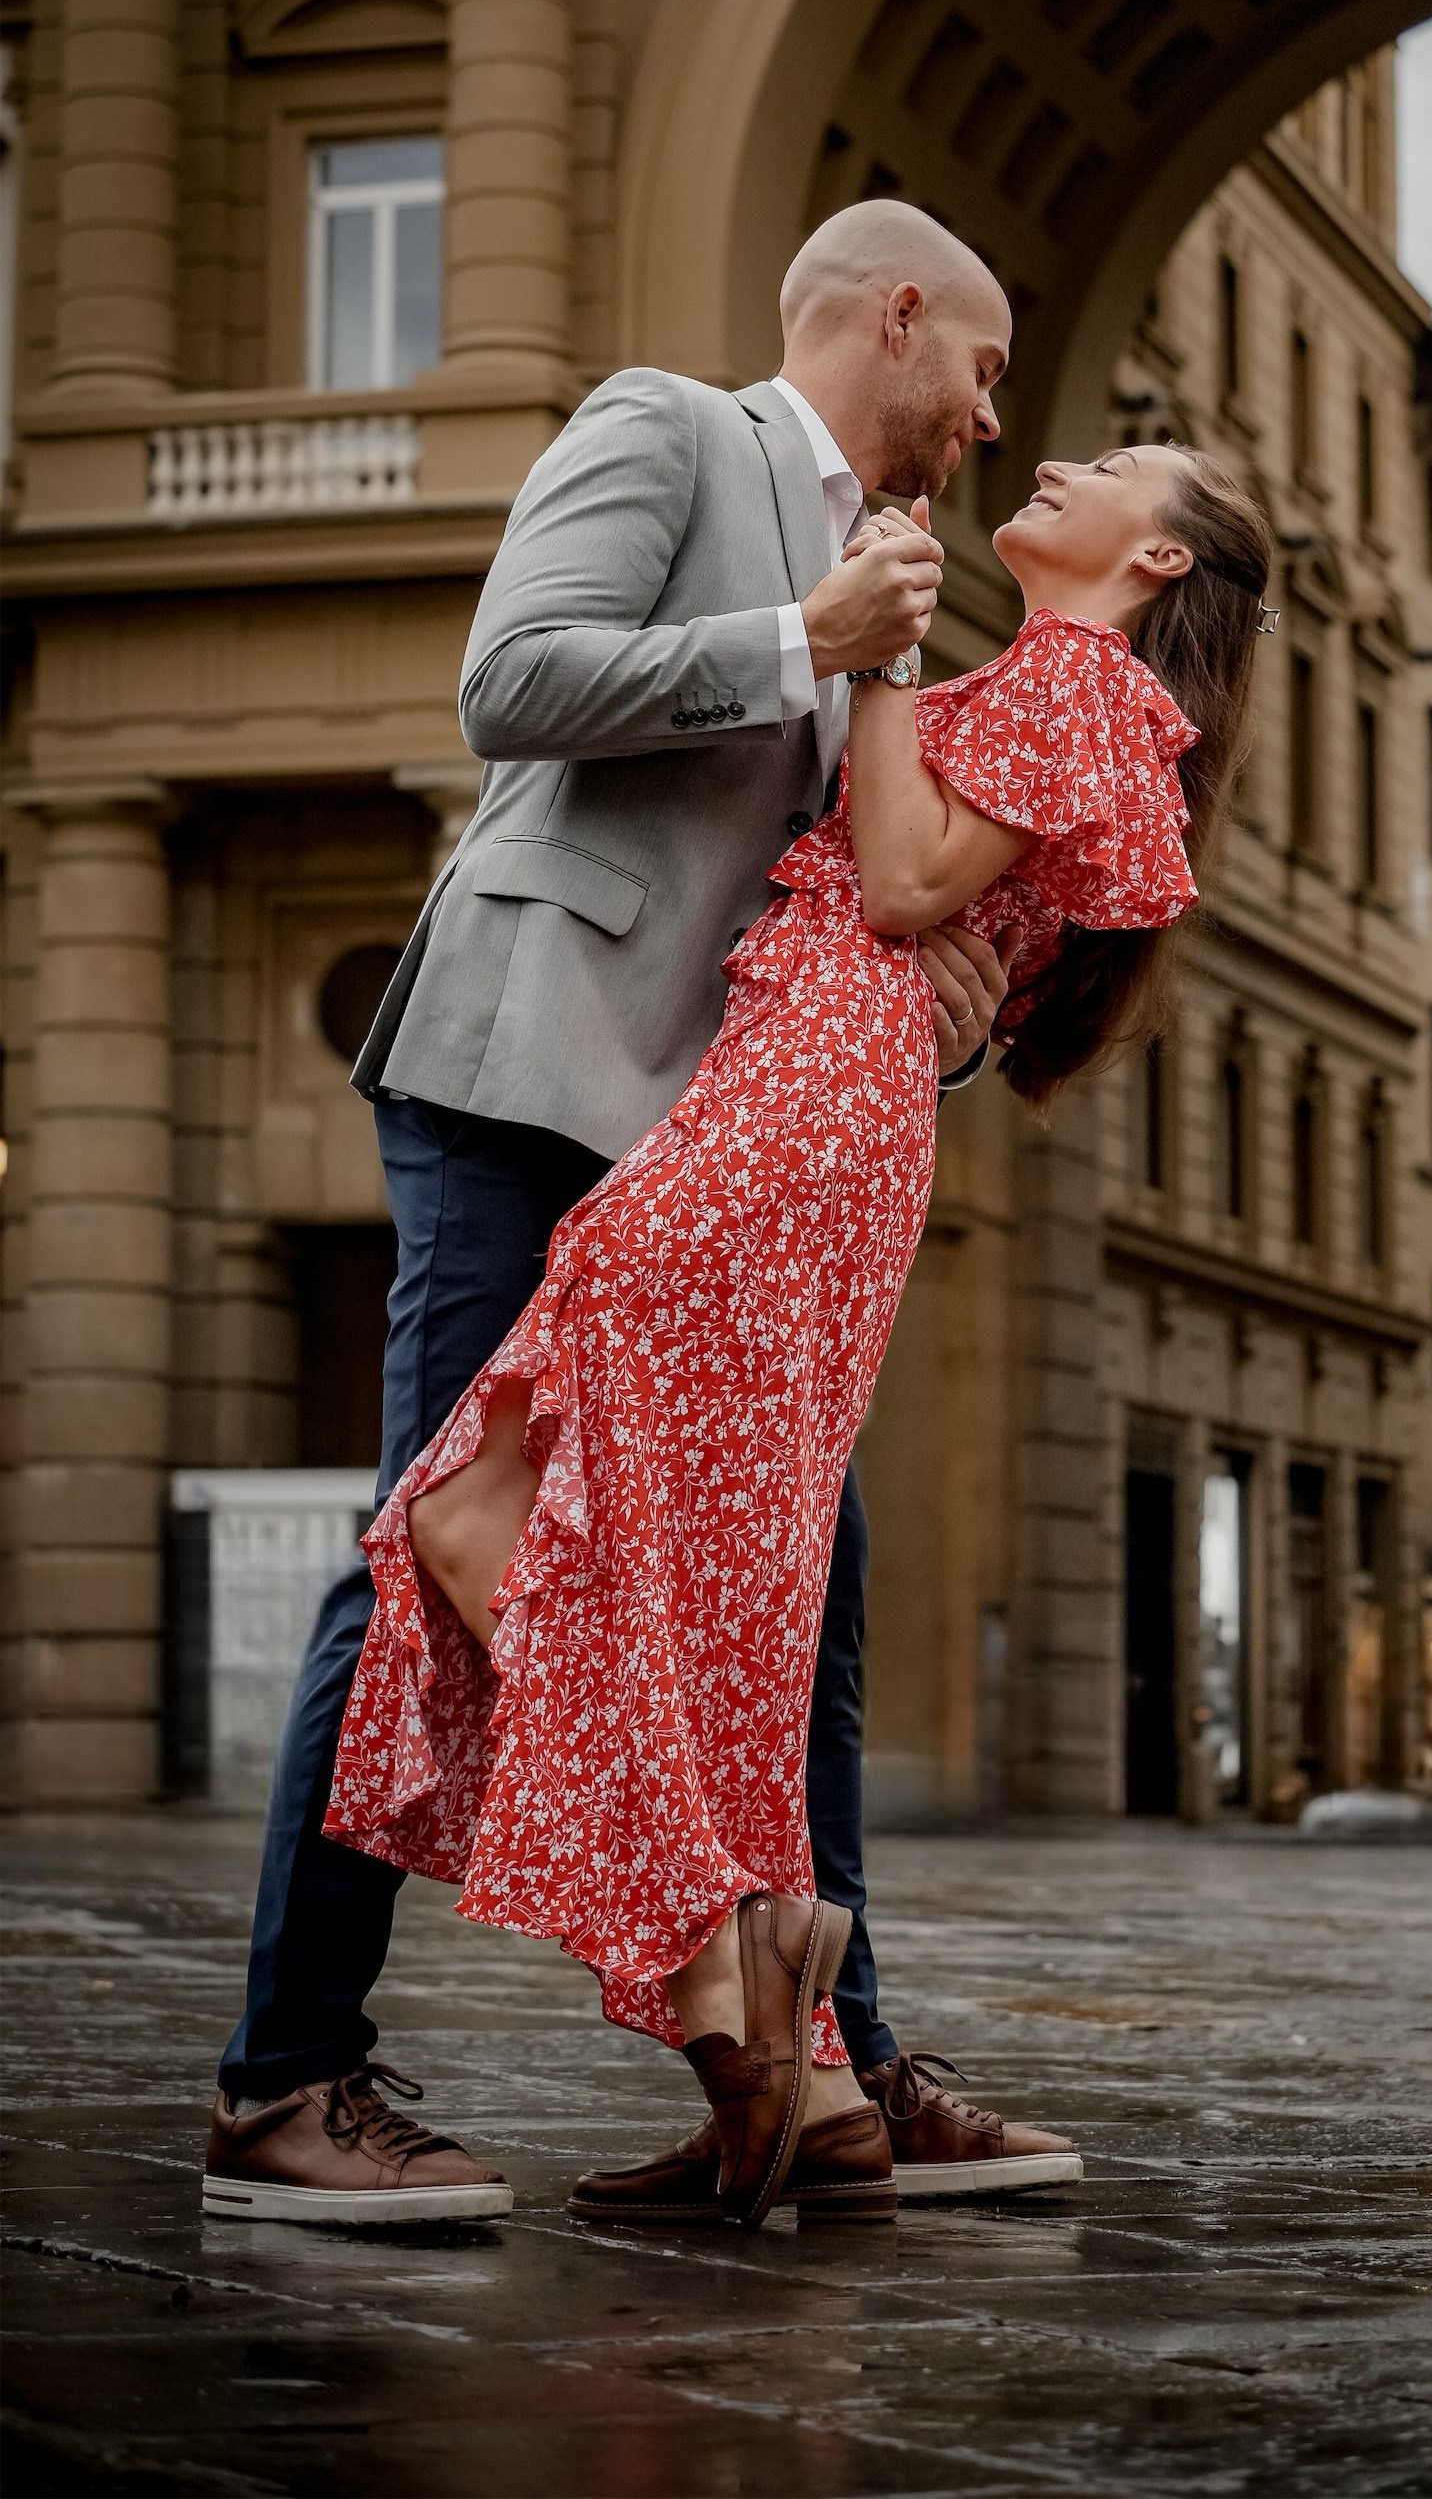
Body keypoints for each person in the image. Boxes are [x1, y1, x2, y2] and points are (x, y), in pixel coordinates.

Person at [203, 205, 1073, 2223]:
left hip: (710, 1148)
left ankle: (825, 2074)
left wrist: (937, 987)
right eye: (988, 366)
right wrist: (803, 643)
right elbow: (511, 681)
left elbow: (856, 888)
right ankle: (284, 2079)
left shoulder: (907, 578)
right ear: (900, 316)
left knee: (814, 1585)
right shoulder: (671, 430)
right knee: (437, 1541)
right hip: (522, 1074)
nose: (994, 412)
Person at [319, 432, 1271, 2232]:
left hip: (798, 1108)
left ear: (1157, 564)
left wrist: (884, 651)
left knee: (475, 1512)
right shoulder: (1062, 685)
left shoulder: (1079, 681)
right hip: (814, 1099)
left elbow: (906, 882)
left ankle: (724, 1967)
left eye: (1115, 465)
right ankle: (806, 2066)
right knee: (716, 1588)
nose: (1053, 453)